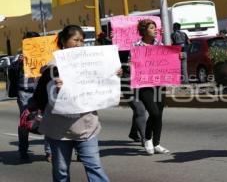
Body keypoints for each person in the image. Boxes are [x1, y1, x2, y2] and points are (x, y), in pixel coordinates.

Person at [31, 25, 112, 182]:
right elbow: (39, 98)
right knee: (61, 171)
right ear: (63, 41)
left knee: (94, 167)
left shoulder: (91, 63)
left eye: (82, 40)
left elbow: (102, 85)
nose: (79, 44)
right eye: (75, 40)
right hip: (59, 131)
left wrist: (113, 74)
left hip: (87, 127)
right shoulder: (51, 68)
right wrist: (54, 89)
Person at [10, 31, 51, 161]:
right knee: (25, 122)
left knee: (47, 120)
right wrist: (19, 64)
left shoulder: (46, 56)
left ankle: (49, 152)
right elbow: (11, 73)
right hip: (25, 93)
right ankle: (23, 150)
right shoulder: (19, 57)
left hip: (43, 92)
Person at [132, 19, 170, 155]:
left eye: (156, 28)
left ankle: (157, 143)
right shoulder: (136, 45)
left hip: (159, 83)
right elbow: (132, 63)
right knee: (153, 112)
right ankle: (147, 138)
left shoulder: (160, 43)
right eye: (152, 28)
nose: (155, 30)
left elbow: (166, 60)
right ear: (144, 30)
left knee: (159, 115)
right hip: (144, 84)